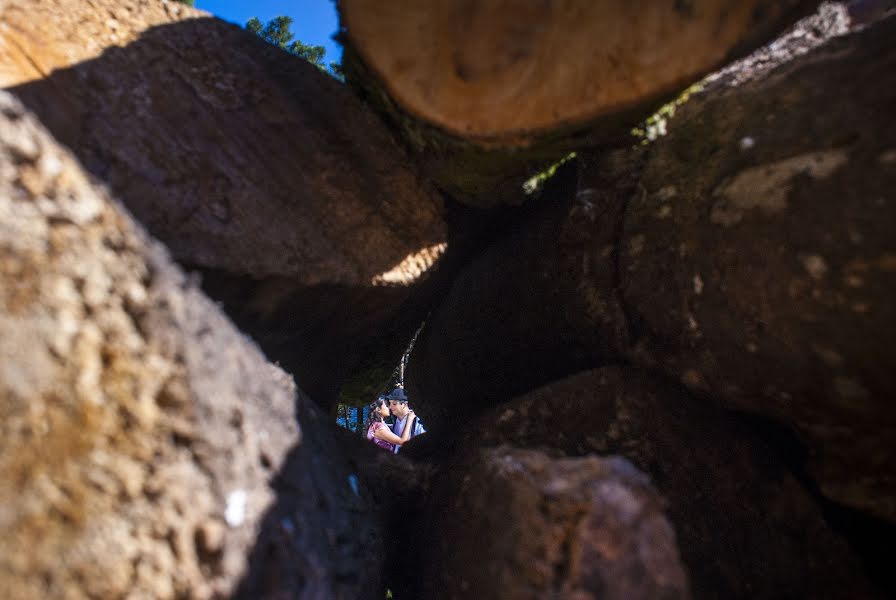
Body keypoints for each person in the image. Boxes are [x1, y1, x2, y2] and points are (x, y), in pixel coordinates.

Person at [386, 387, 426, 453]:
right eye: (390, 403)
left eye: (394, 404)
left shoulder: (416, 421)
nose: (390, 407)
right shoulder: (396, 420)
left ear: (404, 404)